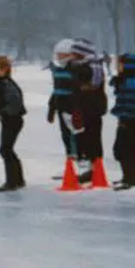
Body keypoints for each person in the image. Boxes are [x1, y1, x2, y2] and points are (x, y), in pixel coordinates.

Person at [0, 56, 27, 192]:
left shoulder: (7, 84)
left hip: (13, 120)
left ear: (4, 69)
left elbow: (14, 104)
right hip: (9, 120)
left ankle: (12, 181)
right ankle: (18, 180)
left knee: (5, 149)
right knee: (7, 149)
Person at [68, 38, 107, 184]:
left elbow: (86, 87)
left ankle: (96, 170)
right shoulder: (82, 67)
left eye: (74, 54)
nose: (71, 56)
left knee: (93, 139)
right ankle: (92, 168)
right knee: (86, 139)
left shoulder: (89, 68)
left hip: (92, 109)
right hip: (84, 108)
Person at [110, 53, 135, 190]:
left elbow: (133, 104)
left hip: (129, 119)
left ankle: (131, 179)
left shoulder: (131, 82)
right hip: (126, 118)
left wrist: (124, 117)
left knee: (126, 149)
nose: (117, 67)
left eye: (119, 64)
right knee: (122, 148)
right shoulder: (126, 80)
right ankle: (127, 177)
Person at [45, 41, 80, 177]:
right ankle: (70, 164)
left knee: (74, 137)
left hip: (71, 110)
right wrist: (51, 108)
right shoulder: (60, 71)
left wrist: (75, 109)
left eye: (61, 54)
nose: (58, 57)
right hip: (62, 109)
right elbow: (56, 91)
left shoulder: (75, 70)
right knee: (66, 136)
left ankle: (77, 165)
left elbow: (76, 92)